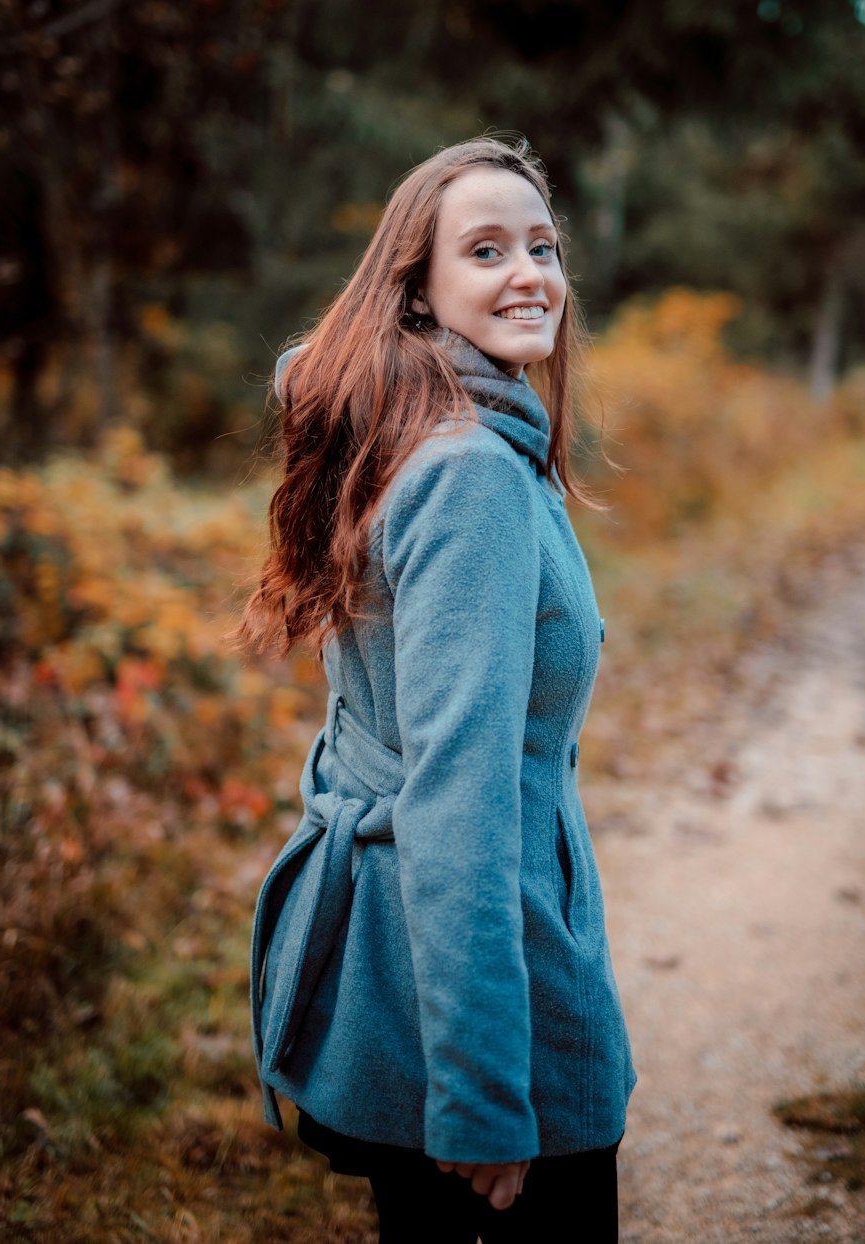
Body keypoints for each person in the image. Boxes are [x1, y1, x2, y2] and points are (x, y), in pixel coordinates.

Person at [239, 135, 635, 1242]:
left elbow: (370, 729)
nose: (530, 275)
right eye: (486, 249)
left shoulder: (411, 439)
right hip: (466, 988)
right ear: (417, 291)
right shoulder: (467, 479)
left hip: (396, 965)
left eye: (542, 246)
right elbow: (457, 797)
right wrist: (478, 1097)